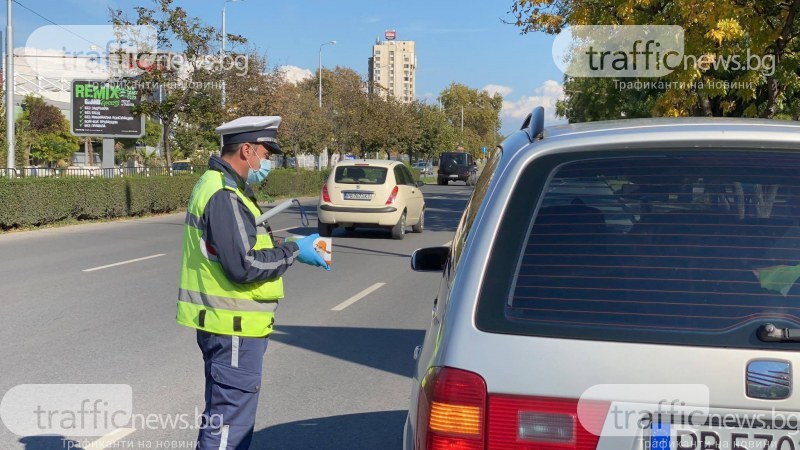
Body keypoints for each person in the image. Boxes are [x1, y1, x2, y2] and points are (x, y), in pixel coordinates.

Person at [176, 116, 329, 450]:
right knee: (229, 426)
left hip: (229, 324)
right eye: (266, 152)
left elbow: (239, 250)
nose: (268, 161)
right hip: (233, 326)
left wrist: (284, 249)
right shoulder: (224, 195)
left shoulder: (220, 186)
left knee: (224, 417)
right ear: (246, 150)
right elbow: (244, 265)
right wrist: (293, 251)